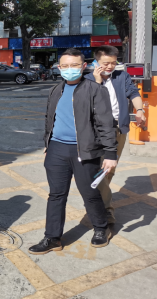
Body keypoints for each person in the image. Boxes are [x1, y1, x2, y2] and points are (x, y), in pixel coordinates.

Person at [29, 48, 118, 255]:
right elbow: (49, 119)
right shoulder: (56, 90)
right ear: (59, 67)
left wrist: (110, 154)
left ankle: (101, 228)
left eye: (75, 65)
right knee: (56, 195)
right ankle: (52, 238)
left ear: (83, 66)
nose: (70, 69)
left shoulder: (95, 90)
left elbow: (105, 124)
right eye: (65, 66)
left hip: (85, 150)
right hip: (57, 149)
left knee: (90, 193)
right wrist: (48, 145)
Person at [84, 45, 146, 224]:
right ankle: (106, 211)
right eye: (106, 63)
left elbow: (133, 92)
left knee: (109, 169)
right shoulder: (87, 79)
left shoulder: (121, 76)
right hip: (96, 132)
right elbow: (87, 102)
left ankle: (98, 201)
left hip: (118, 129)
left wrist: (140, 110)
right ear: (96, 62)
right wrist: (97, 82)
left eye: (113, 63)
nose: (110, 66)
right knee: (99, 169)